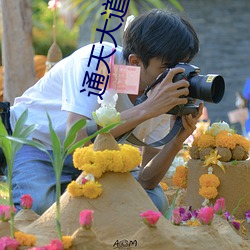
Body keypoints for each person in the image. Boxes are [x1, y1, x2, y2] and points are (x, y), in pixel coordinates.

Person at [6, 9, 202, 215]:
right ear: (135, 62)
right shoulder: (97, 61)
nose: (175, 76)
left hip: (96, 157)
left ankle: (70, 199)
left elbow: (146, 180)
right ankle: (65, 197)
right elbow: (76, 140)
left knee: (152, 202)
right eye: (167, 68)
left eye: (182, 66)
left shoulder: (164, 90)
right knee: (39, 208)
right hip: (37, 144)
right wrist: (147, 108)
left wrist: (176, 140)